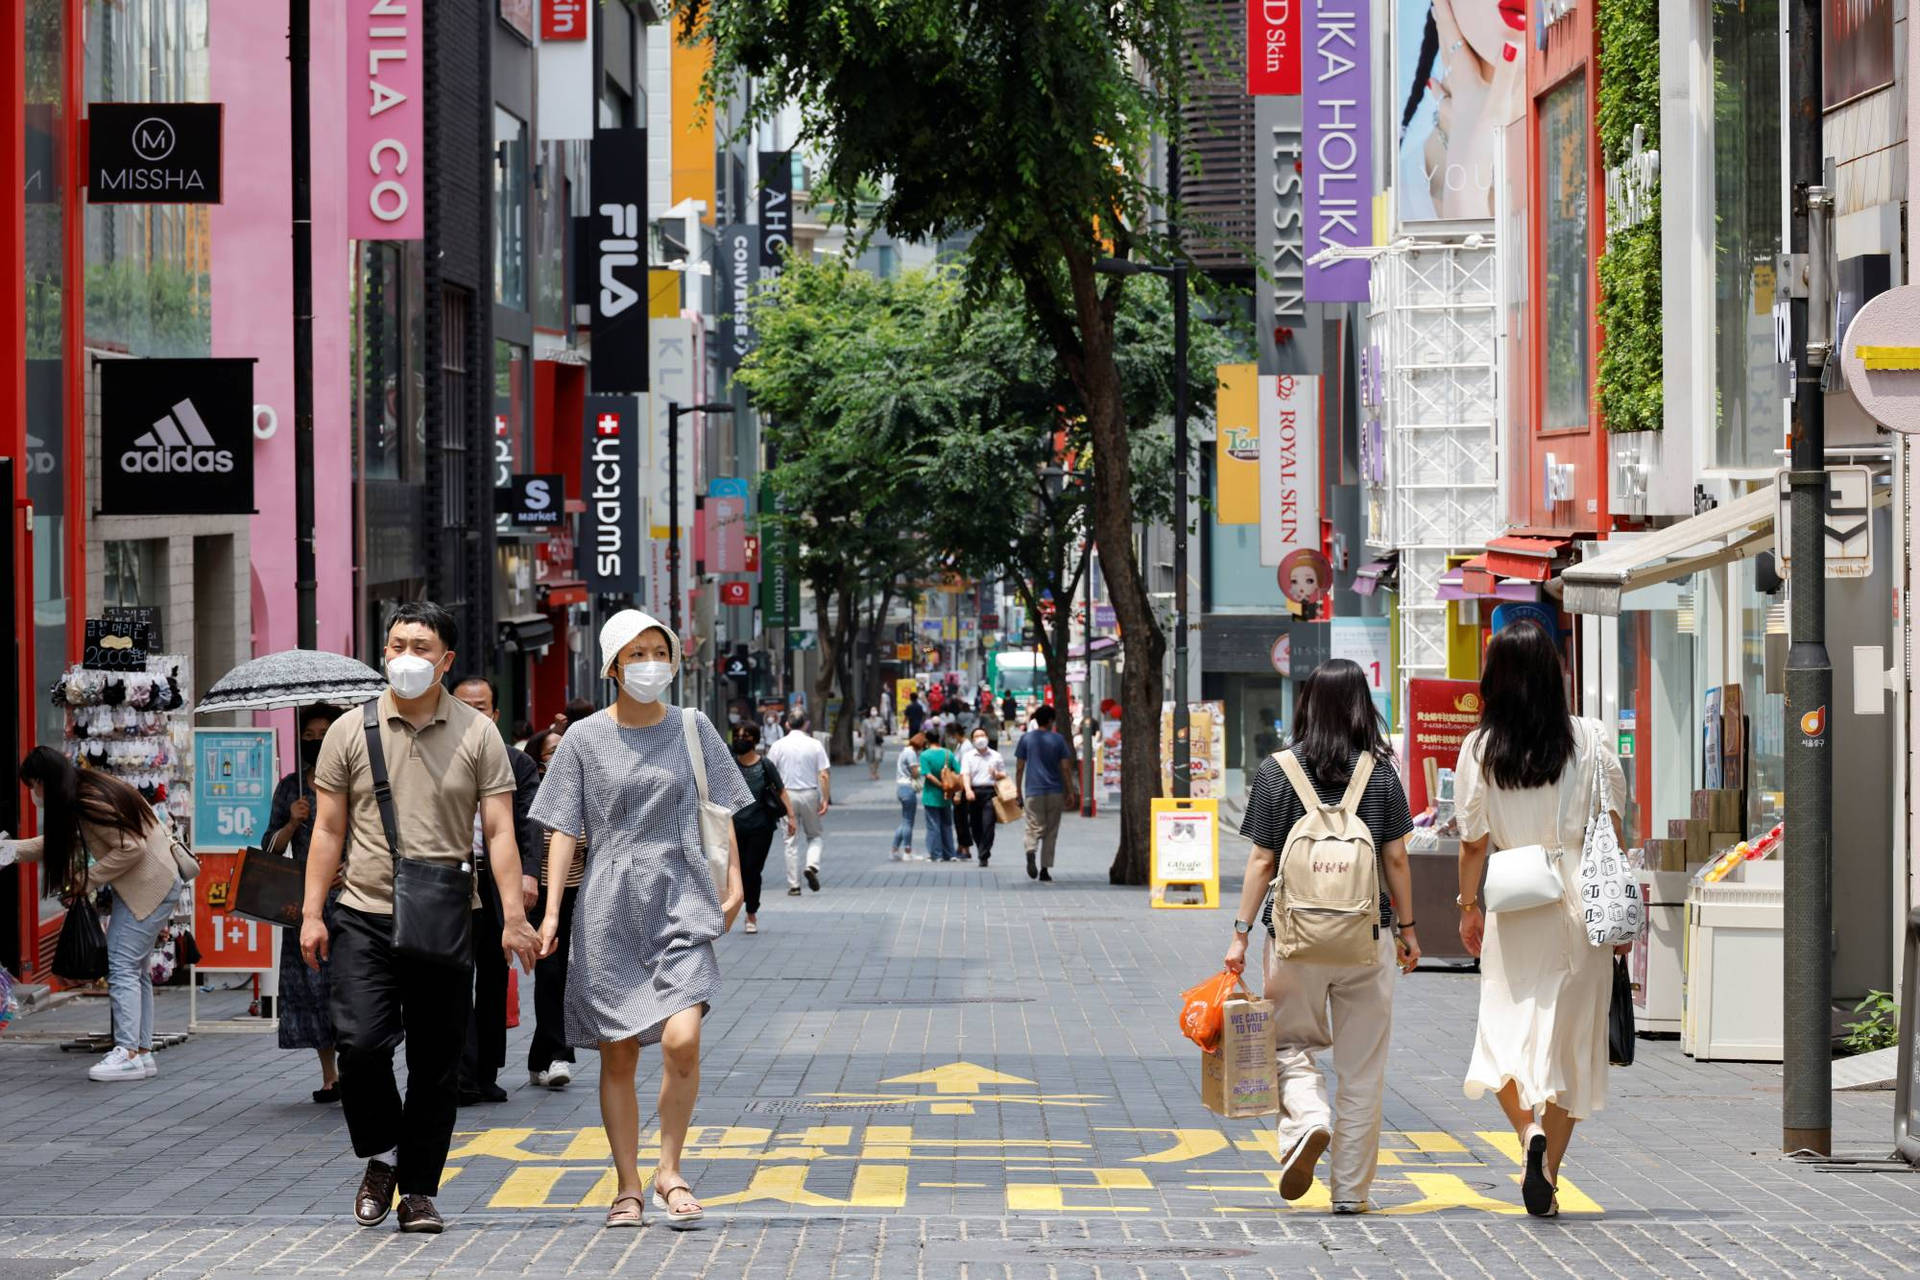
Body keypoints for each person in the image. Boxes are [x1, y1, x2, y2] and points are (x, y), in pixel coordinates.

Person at [301, 601, 540, 1235]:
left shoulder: (478, 733)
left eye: (421, 646)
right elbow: (327, 829)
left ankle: (418, 1191)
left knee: (436, 1063)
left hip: (443, 915)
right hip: (363, 914)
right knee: (359, 1046)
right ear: (384, 653)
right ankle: (383, 1154)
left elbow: (500, 831)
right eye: (397, 644)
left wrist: (513, 917)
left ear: (446, 660)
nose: (407, 656)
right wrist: (310, 914)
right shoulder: (350, 731)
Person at [530, 609, 751, 1229]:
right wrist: (551, 913)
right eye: (636, 654)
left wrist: (735, 884)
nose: (651, 663)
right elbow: (565, 830)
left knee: (683, 1040)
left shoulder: (693, 726)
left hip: (682, 892)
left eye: (660, 651)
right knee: (618, 1054)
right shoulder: (582, 739)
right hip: (608, 903)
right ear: (612, 666)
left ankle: (670, 1169)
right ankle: (628, 1184)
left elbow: (720, 807)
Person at [1223, 660, 1420, 1214]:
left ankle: (1309, 1119)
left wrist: (1239, 934)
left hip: (1292, 940)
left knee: (1288, 1044)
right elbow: (1398, 858)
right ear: (1363, 705)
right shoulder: (1380, 772)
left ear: (1307, 703)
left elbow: (1262, 860)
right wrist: (1407, 931)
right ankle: (1352, 1193)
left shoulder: (1277, 769)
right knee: (1363, 1067)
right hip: (1366, 937)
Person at [1454, 620, 1628, 1218]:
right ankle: (1548, 1171)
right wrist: (1619, 915)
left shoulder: (1480, 748)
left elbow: (1473, 842)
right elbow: (1613, 833)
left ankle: (1526, 1135)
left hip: (1512, 903)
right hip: (1580, 902)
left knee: (1502, 1034)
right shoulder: (1590, 739)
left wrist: (1466, 906)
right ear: (1556, 674)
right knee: (1570, 1042)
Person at [2, 748, 185, 1083]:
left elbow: (131, 848)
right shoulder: (86, 790)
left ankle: (128, 1052)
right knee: (135, 969)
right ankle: (140, 1053)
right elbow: (62, 841)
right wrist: (14, 850)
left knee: (122, 966)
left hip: (147, 887)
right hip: (155, 883)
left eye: (32, 785)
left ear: (44, 781)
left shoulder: (87, 801)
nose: (32, 794)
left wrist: (86, 879)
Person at [451, 674, 543, 1106]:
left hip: (494, 880)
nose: (472, 715)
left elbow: (528, 824)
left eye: (481, 707)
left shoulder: (516, 764)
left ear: (496, 714)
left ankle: (485, 1072)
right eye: (462, 705)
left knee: (492, 976)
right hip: (449, 879)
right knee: (452, 976)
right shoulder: (436, 757)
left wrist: (528, 875)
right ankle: (462, 1075)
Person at [267, 705, 347, 1102]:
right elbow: (270, 846)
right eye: (309, 735)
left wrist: (349, 870)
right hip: (307, 904)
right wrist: (292, 822)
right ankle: (330, 1075)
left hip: (351, 899)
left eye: (324, 732)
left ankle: (357, 1067)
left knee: (348, 986)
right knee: (314, 988)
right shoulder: (290, 787)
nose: (316, 741)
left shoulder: (353, 780)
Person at [519, 728, 579, 1089]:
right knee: (551, 973)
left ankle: (540, 1056)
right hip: (540, 897)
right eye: (552, 751)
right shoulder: (532, 797)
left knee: (566, 978)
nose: (558, 757)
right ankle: (558, 1055)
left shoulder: (583, 789)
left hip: (580, 897)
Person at [728, 722, 794, 935]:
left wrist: (791, 817)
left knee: (752, 870)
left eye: (745, 736)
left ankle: (751, 913)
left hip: (760, 828)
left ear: (754, 740)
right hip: (733, 827)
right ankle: (736, 907)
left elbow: (781, 791)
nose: (740, 739)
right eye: (737, 735)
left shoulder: (765, 765)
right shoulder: (729, 766)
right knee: (735, 871)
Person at [765, 711, 831, 896]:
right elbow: (824, 774)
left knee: (790, 840)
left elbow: (769, 771)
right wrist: (825, 798)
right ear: (806, 724)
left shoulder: (778, 746)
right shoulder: (815, 745)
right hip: (810, 793)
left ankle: (794, 885)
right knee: (815, 836)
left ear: (787, 725)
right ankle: (812, 865)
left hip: (786, 795)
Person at [1014, 704, 1075, 881]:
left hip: (1033, 791)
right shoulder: (1058, 740)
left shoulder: (1026, 739)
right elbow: (1065, 768)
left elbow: (1019, 767)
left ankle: (1030, 849)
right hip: (1055, 790)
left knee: (1033, 825)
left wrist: (1018, 790)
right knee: (1051, 830)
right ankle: (1045, 869)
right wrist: (1070, 791)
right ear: (1050, 721)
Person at [960, 727, 1007, 868]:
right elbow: (965, 774)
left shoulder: (995, 755)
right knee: (975, 825)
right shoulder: (968, 756)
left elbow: (1004, 774)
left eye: (982, 735)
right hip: (973, 792)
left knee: (988, 825)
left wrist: (996, 774)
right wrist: (968, 790)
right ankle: (981, 847)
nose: (980, 738)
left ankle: (984, 854)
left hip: (990, 793)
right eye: (977, 736)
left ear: (987, 737)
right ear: (973, 740)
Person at [918, 727, 961, 863]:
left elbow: (928, 775)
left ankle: (936, 854)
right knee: (947, 825)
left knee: (933, 825)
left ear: (927, 739)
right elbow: (959, 772)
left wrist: (939, 784)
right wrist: (948, 787)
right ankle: (950, 853)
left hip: (931, 795)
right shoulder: (948, 754)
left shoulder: (925, 755)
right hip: (947, 795)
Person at [892, 731, 925, 861]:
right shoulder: (911, 753)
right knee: (908, 822)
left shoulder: (904, 751)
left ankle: (894, 849)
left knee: (905, 821)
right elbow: (915, 773)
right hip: (908, 788)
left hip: (900, 787)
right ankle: (907, 850)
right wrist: (923, 768)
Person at [862, 707, 888, 780]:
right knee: (870, 759)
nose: (874, 711)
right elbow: (863, 732)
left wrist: (881, 730)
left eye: (875, 710)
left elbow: (885, 730)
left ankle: (875, 771)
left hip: (877, 742)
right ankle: (872, 773)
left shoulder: (880, 720)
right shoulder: (865, 721)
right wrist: (862, 742)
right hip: (868, 742)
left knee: (877, 757)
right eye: (872, 710)